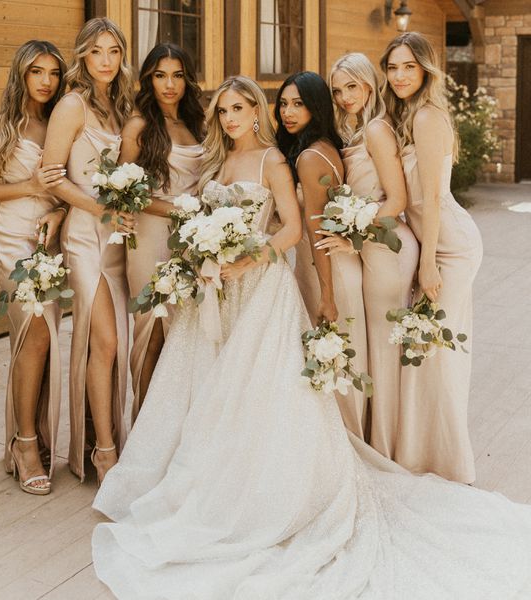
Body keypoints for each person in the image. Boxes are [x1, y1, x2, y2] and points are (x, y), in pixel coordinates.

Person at [90, 76, 531, 600]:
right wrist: (202, 252)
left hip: (260, 290)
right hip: (218, 290)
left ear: (256, 112)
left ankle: (259, 495)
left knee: (255, 391)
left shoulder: (274, 161)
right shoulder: (215, 162)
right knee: (208, 389)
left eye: (239, 108)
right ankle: (201, 483)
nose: (230, 118)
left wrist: (252, 255)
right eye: (222, 110)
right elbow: (200, 214)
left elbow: (293, 229)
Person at [380, 32, 483, 483]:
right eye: (393, 67)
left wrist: (426, 263)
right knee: (424, 351)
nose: (400, 75)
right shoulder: (405, 115)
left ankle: (447, 463)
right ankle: (420, 455)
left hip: (450, 246)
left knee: (436, 353)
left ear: (425, 69)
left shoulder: (426, 116)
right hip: (432, 241)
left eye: (409, 66)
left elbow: (433, 199)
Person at [0, 40, 67, 494]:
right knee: (35, 334)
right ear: (21, 75)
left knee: (37, 341)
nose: (45, 81)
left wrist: (60, 214)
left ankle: (28, 437)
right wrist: (28, 185)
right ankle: (26, 444)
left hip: (52, 237)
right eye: (36, 72)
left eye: (52, 72)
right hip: (12, 238)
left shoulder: (61, 122)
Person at [42, 17, 134, 484]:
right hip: (85, 237)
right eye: (97, 51)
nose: (105, 61)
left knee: (119, 342)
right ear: (83, 55)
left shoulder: (121, 106)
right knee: (107, 341)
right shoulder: (72, 106)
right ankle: (103, 451)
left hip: (119, 239)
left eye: (114, 52)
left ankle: (113, 433)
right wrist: (96, 209)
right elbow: (52, 175)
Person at [322, 53, 419, 460]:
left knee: (384, 348)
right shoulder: (354, 130)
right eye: (338, 89)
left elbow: (396, 200)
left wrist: (351, 234)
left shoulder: (377, 130)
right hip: (371, 243)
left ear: (369, 86)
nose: (346, 97)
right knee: (376, 347)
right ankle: (378, 439)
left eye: (353, 87)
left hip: (387, 245)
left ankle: (390, 447)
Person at [275, 71, 367, 440]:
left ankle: (343, 443)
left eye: (298, 104)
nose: (288, 112)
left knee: (331, 359)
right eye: (283, 103)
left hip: (323, 270)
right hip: (328, 265)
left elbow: (316, 232)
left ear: (316, 107)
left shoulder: (309, 159)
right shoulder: (326, 144)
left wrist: (327, 296)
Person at [120, 43, 204, 419]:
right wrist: (178, 209)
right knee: (151, 330)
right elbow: (124, 192)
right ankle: (142, 426)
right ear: (147, 79)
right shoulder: (139, 125)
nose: (169, 84)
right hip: (151, 236)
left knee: (185, 335)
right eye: (160, 75)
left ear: (188, 79)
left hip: (192, 240)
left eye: (177, 75)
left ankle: (175, 426)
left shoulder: (198, 122)